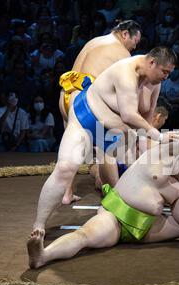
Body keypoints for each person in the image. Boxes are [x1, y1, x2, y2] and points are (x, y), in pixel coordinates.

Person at [30, 47, 179, 237]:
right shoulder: (125, 71)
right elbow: (129, 115)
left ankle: (121, 214)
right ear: (152, 62)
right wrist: (159, 137)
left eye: (169, 74)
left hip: (118, 137)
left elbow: (146, 118)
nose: (166, 78)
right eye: (164, 72)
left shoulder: (155, 83)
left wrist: (146, 149)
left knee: (141, 179)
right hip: (86, 120)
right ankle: (39, 225)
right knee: (65, 169)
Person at [27, 131, 179, 269]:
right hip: (115, 219)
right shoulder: (160, 155)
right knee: (84, 236)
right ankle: (42, 255)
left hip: (146, 231)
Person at [57, 20, 142, 204]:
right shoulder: (123, 53)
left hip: (67, 92)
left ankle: (67, 193)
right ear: (125, 34)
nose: (135, 46)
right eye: (135, 41)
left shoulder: (94, 41)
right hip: (85, 99)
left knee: (71, 147)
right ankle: (116, 192)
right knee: (111, 143)